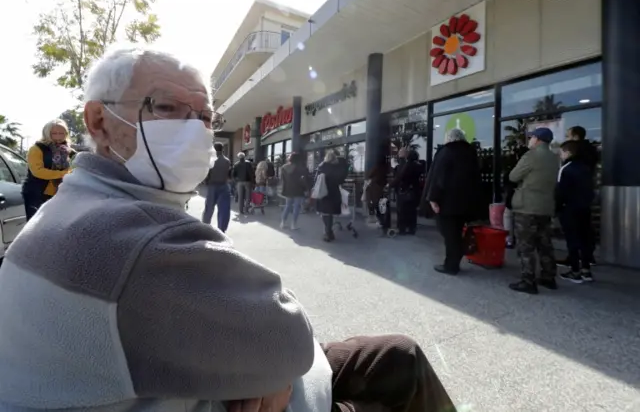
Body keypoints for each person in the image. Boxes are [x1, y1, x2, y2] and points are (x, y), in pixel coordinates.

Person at [0, 47, 457, 412]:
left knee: (395, 353)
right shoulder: (137, 237)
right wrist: (276, 368)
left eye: (204, 117)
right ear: (99, 121)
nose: (196, 130)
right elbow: (290, 339)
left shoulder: (74, 205)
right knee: (402, 367)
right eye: (167, 107)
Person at [508, 127, 560, 294]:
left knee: (526, 245)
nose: (529, 140)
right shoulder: (554, 158)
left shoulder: (531, 156)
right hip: (545, 207)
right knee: (545, 243)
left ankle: (528, 280)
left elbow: (513, 176)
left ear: (537, 139)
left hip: (527, 207)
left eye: (531, 138)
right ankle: (548, 277)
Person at [424, 128, 482, 275]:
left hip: (447, 202)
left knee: (450, 235)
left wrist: (433, 198)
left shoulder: (446, 152)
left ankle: (451, 265)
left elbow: (438, 178)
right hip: (466, 203)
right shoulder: (470, 153)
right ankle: (454, 260)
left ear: (449, 138)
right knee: (456, 233)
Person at [556, 125, 598, 267]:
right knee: (585, 232)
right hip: (584, 201)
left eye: (568, 135)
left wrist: (558, 207)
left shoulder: (568, 167)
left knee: (573, 235)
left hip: (570, 204)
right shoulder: (589, 157)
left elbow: (561, 189)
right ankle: (586, 262)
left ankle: (574, 266)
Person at [22, 119, 75, 221]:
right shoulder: (37, 148)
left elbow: (77, 166)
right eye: (54, 133)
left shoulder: (68, 150)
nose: (58, 136)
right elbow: (38, 171)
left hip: (61, 193)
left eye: (61, 133)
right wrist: (64, 174)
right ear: (47, 133)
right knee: (36, 227)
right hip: (38, 194)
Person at [316, 150, 347, 242]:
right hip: (334, 192)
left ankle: (328, 232)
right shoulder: (338, 168)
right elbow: (341, 180)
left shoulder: (321, 166)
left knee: (324, 213)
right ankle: (328, 232)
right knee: (330, 213)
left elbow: (316, 179)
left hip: (323, 192)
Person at [201, 142, 232, 231]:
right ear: (222, 149)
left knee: (209, 209)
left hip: (212, 186)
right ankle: (222, 230)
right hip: (224, 186)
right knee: (224, 210)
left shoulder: (211, 160)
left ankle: (205, 228)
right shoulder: (227, 161)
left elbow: (206, 174)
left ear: (214, 149)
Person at [392, 149, 423, 235]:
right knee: (412, 211)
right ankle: (411, 228)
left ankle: (402, 229)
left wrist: (391, 184)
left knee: (402, 210)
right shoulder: (419, 165)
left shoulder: (407, 165)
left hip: (405, 190)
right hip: (414, 190)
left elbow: (401, 176)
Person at [280, 152, 310, 230]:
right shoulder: (300, 168)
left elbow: (283, 180)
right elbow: (302, 180)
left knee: (288, 206)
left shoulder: (284, 167)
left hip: (288, 189)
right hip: (298, 189)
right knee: (297, 207)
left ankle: (283, 222)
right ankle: (293, 224)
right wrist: (306, 189)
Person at [365, 156, 390, 236]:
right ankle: (384, 227)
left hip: (376, 192)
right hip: (382, 191)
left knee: (378, 210)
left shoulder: (376, 169)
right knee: (383, 209)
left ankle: (383, 227)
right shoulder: (386, 169)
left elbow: (369, 175)